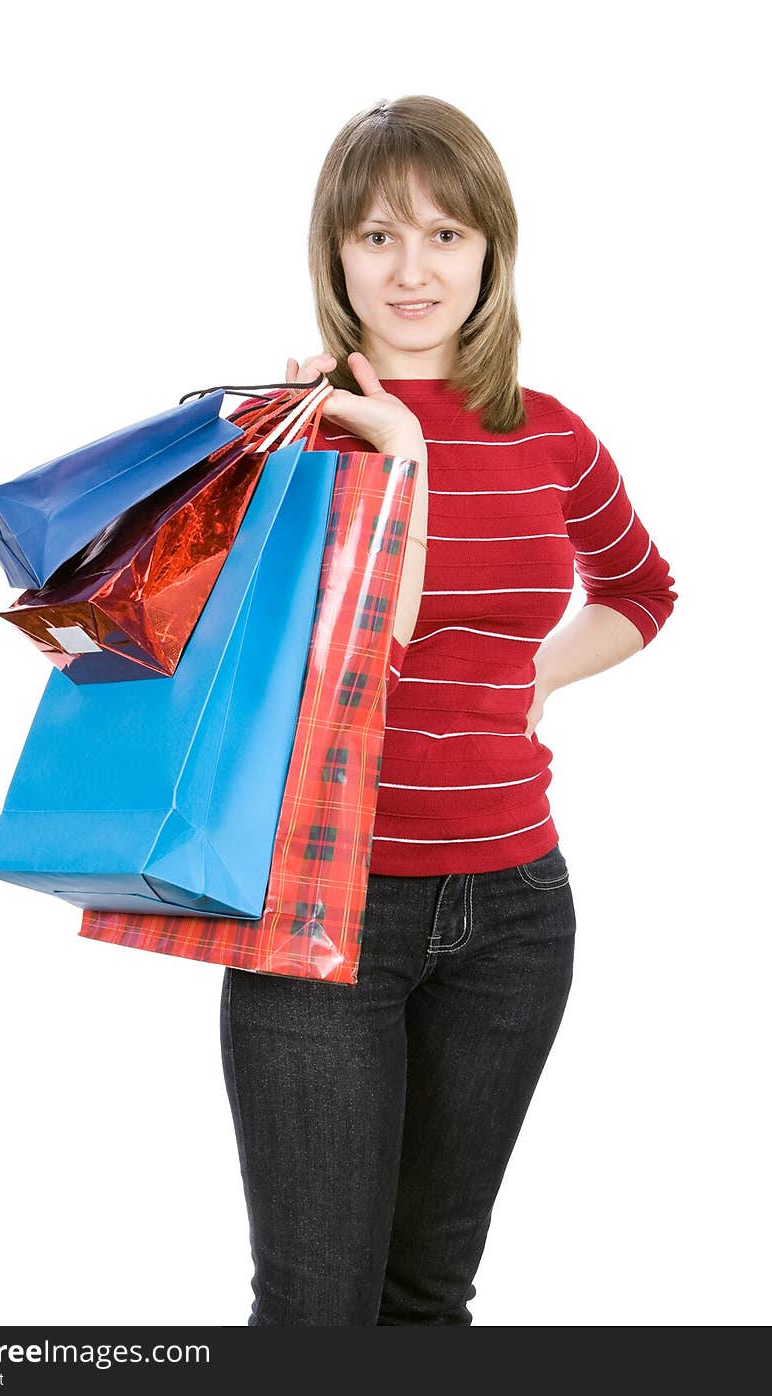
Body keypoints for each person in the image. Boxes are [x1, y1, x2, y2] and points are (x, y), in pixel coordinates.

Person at [220, 94, 678, 1326]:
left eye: (445, 235)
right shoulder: (280, 438)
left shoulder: (552, 434)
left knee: (427, 1297)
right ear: (334, 256)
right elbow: (370, 639)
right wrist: (393, 456)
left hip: (515, 917)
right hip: (323, 917)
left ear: (491, 251)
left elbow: (639, 588)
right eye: (376, 237)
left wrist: (529, 680)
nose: (413, 270)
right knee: (317, 1309)